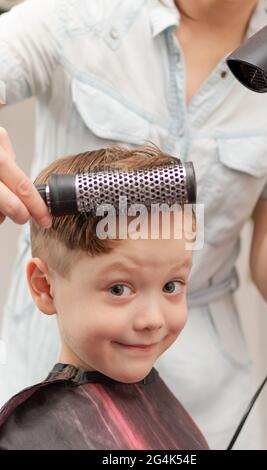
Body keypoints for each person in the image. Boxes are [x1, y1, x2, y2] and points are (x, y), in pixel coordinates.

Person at [0, 0, 267, 449]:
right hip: (52, 383)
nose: (149, 319)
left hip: (203, 394)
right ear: (42, 285)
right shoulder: (78, 17)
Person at [0, 145, 209, 450]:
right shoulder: (32, 437)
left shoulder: (161, 403)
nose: (153, 319)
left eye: (171, 286)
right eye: (118, 289)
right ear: (45, 287)